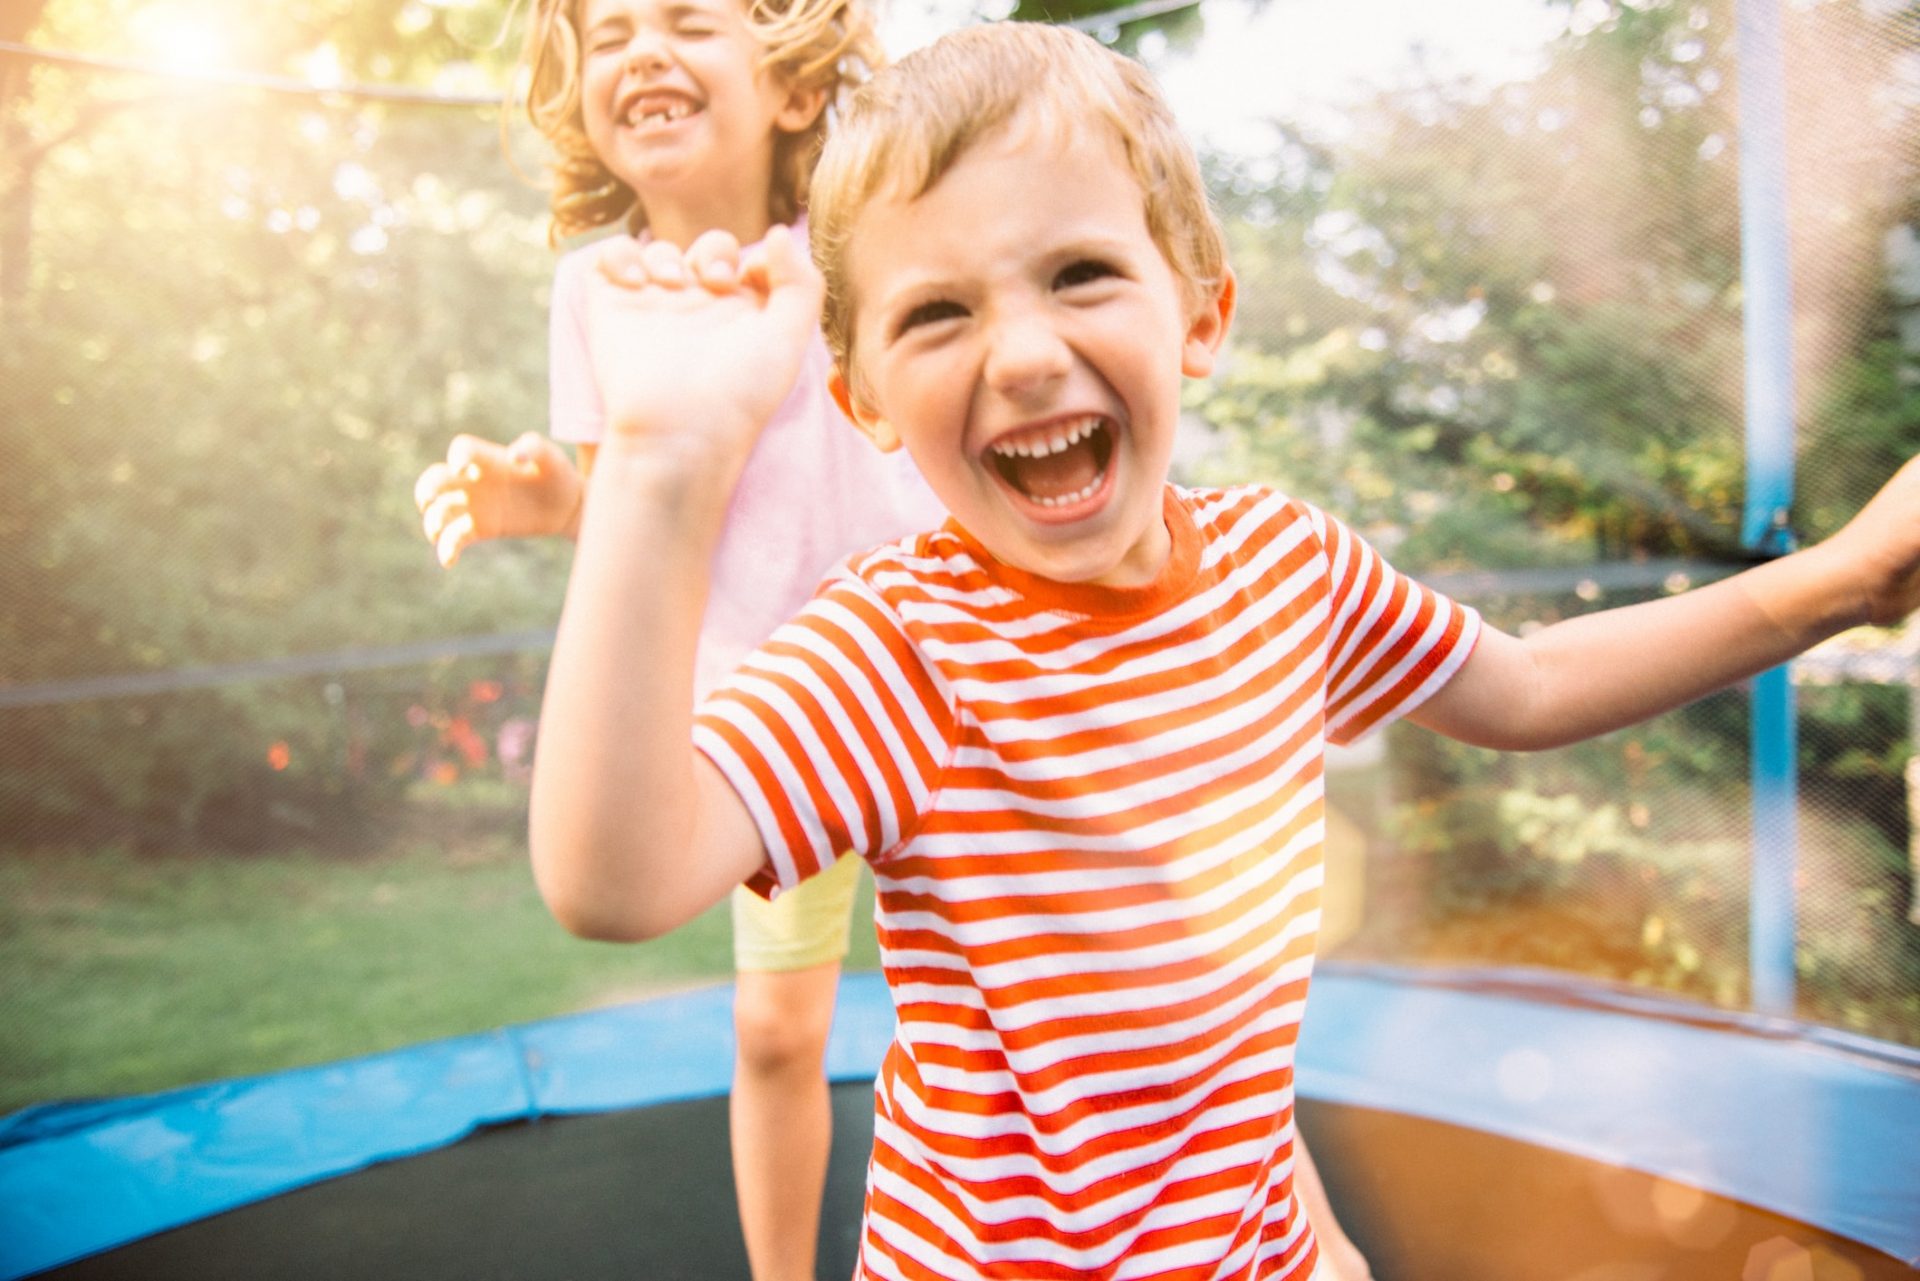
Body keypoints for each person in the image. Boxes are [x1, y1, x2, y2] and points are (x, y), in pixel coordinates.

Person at [530, 21, 1920, 1279]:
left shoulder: (1285, 569)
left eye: (1079, 274)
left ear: (1199, 316)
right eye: (937, 312)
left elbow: (1533, 681)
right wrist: (662, 462)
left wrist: (1837, 582)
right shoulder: (904, 648)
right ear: (867, 397)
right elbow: (616, 875)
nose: (1021, 356)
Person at [408, 1, 949, 1278]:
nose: (642, 48)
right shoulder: (596, 289)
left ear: (795, 89)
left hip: (937, 676)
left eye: (688, 20)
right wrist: (548, 501)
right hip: (771, 715)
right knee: (773, 1032)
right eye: (609, 34)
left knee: (1042, 981)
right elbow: (636, 511)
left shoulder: (858, 247)